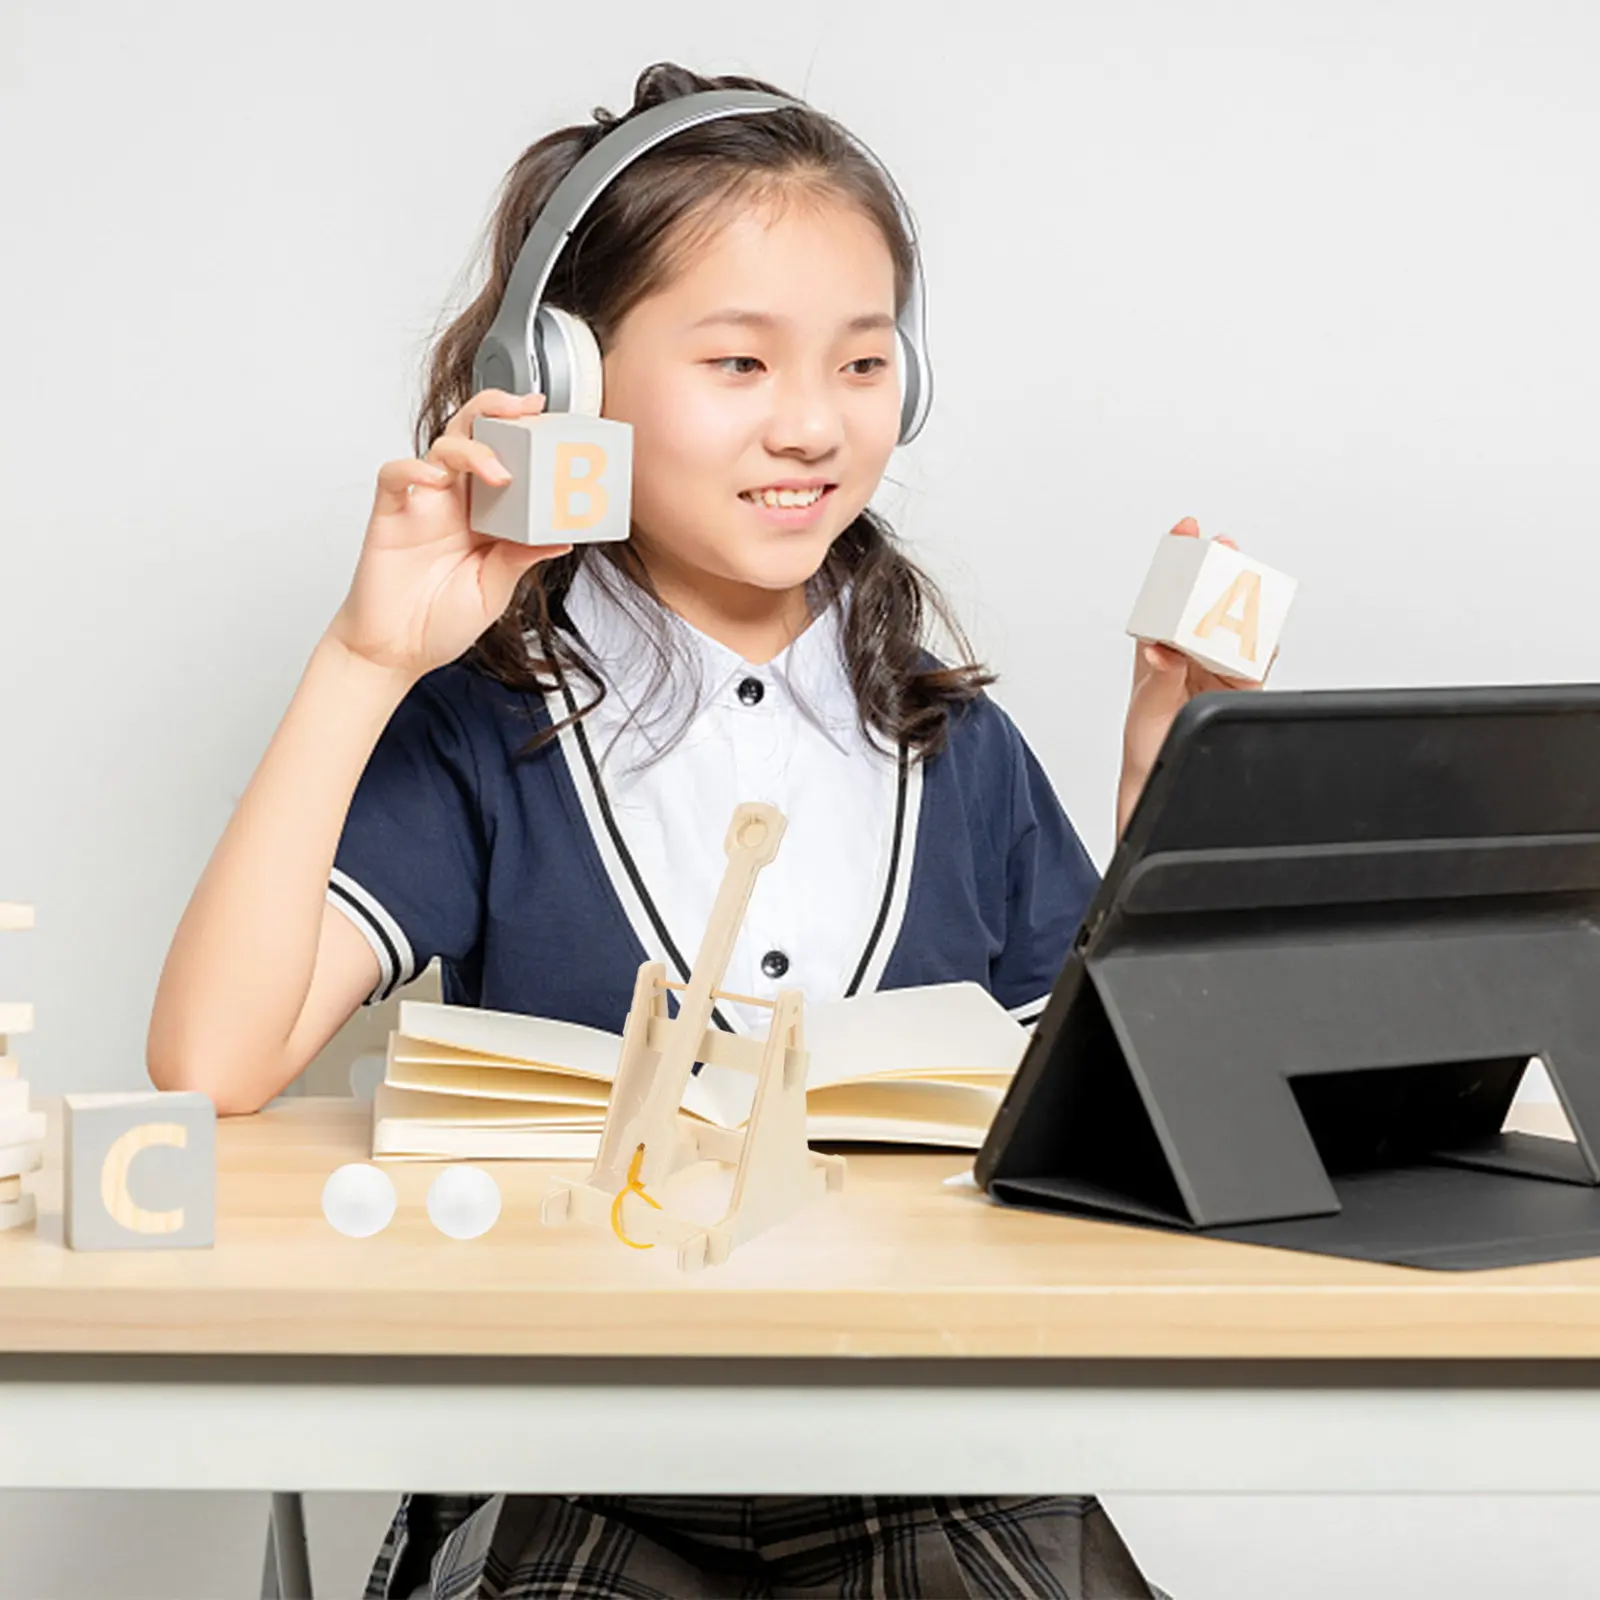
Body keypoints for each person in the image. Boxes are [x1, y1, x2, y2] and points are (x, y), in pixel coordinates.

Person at [148, 57, 1259, 1600]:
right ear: (573, 380)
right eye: (738, 364)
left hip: (925, 1453)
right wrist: (363, 661)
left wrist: (1165, 806)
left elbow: (1121, 1132)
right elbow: (213, 1063)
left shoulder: (960, 752)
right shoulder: (485, 731)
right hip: (574, 1455)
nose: (811, 425)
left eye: (864, 365)